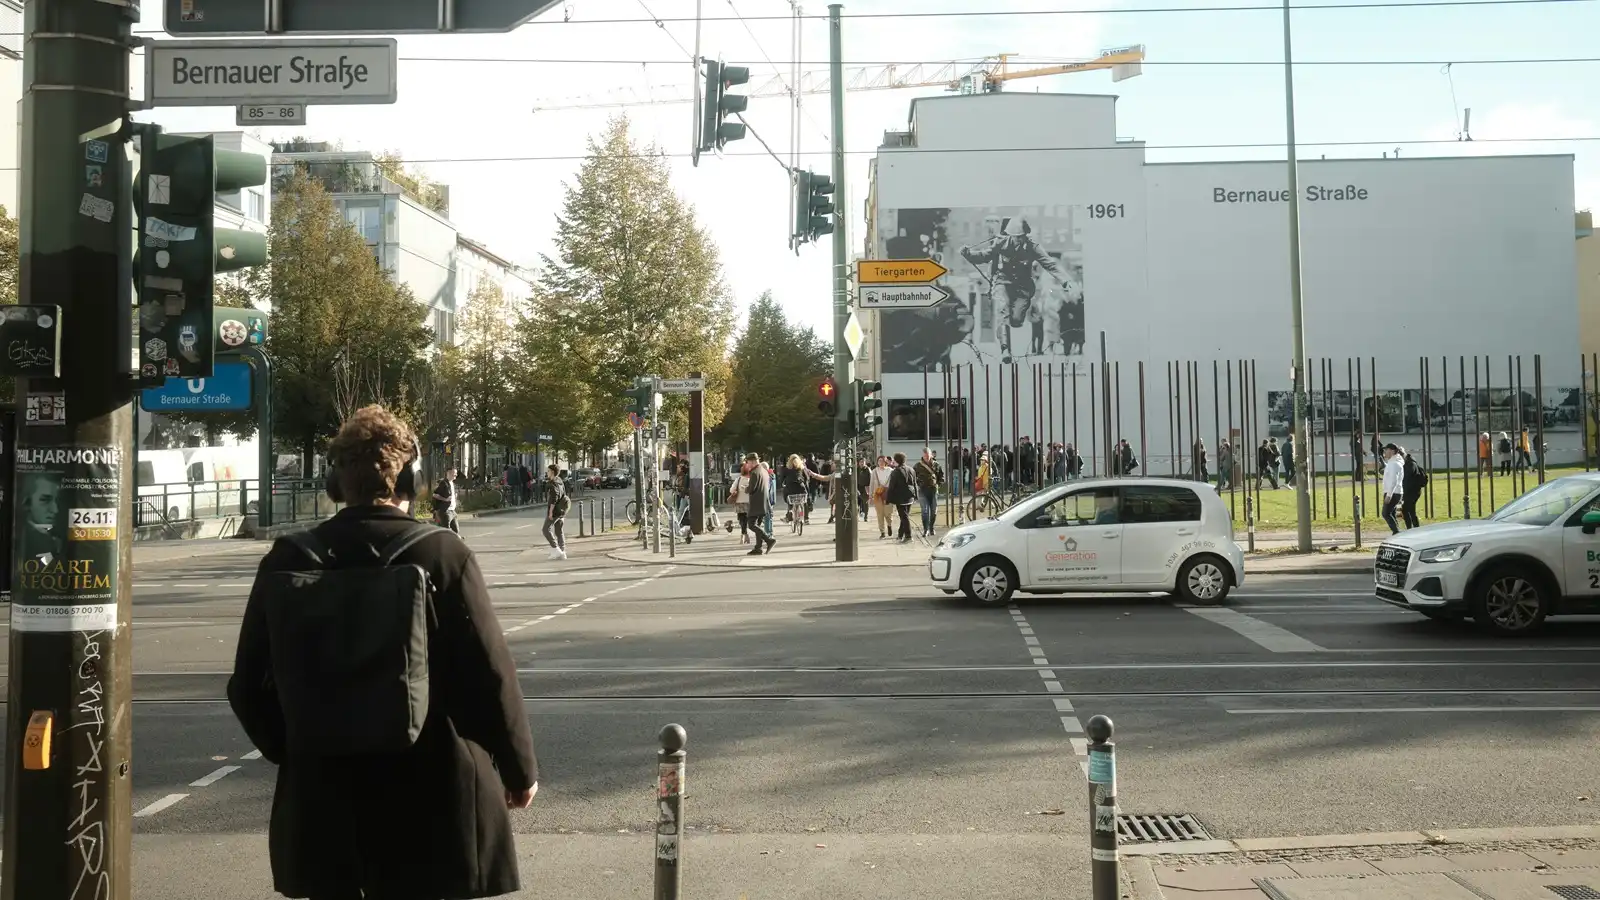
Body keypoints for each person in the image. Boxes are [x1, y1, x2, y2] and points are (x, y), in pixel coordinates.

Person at [227, 405, 537, 900]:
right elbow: (490, 673)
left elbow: (246, 685)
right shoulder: (441, 553)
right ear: (411, 479)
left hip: (326, 798)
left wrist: (297, 749)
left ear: (335, 484)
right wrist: (520, 770)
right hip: (434, 793)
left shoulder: (289, 558)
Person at [743, 452, 776, 555]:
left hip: (756, 502)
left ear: (752, 462)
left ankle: (769, 540)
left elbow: (752, 488)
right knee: (757, 525)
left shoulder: (754, 472)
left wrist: (746, 489)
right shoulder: (764, 471)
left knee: (751, 525)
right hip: (764, 502)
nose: (747, 465)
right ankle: (758, 548)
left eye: (747, 462)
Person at [887, 452, 917, 543]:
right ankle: (900, 534)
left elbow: (891, 486)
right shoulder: (911, 469)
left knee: (904, 517)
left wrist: (888, 499)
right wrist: (916, 495)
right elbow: (915, 483)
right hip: (910, 495)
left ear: (896, 461)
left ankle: (908, 536)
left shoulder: (896, 472)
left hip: (900, 497)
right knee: (905, 516)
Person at [913, 447, 943, 537]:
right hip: (923, 490)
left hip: (933, 490)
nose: (927, 457)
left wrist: (938, 484)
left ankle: (931, 527)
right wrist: (918, 485)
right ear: (923, 455)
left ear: (931, 455)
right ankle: (925, 529)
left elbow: (941, 476)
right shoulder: (918, 465)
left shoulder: (936, 464)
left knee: (934, 511)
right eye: (925, 456)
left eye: (928, 455)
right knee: (925, 511)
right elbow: (913, 477)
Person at [543, 463, 569, 560]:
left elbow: (554, 498)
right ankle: (562, 552)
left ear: (552, 472)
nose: (547, 473)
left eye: (548, 471)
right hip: (562, 509)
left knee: (546, 529)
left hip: (555, 511)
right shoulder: (560, 481)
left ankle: (556, 550)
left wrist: (550, 512)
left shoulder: (552, 483)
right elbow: (564, 494)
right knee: (559, 531)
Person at [1380, 442, 1406, 534]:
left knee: (1386, 513)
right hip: (1395, 492)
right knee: (1391, 513)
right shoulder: (1393, 463)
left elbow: (1393, 481)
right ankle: (1397, 531)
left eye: (1386, 450)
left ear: (1392, 451)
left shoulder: (1394, 464)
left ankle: (1396, 532)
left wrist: (1389, 495)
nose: (1384, 452)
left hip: (1393, 492)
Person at [431, 465, 459, 534]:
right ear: (448, 473)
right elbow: (435, 495)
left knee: (456, 530)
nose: (456, 475)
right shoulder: (443, 483)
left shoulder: (452, 483)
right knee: (447, 530)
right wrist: (445, 499)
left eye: (456, 473)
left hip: (453, 511)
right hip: (446, 511)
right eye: (454, 473)